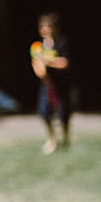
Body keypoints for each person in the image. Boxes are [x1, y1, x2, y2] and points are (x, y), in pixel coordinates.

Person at [30, 11, 73, 154]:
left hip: (61, 84)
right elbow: (37, 65)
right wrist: (41, 70)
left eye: (48, 26)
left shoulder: (62, 42)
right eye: (42, 27)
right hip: (47, 85)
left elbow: (65, 63)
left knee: (63, 114)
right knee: (43, 112)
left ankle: (65, 139)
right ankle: (52, 139)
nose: (45, 30)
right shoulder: (38, 46)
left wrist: (49, 62)